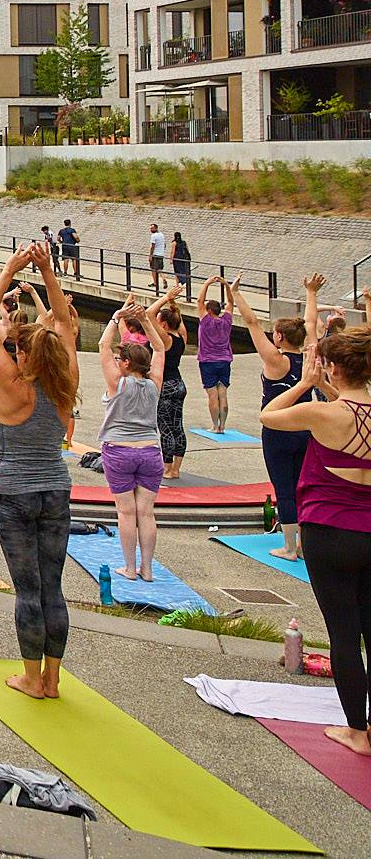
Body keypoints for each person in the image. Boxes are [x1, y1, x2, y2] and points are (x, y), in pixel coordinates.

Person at [260, 321, 371, 756]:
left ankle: (356, 732)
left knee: (344, 633)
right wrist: (329, 387)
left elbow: (270, 417)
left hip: (329, 532)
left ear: (334, 371)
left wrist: (307, 382)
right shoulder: (339, 408)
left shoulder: (321, 413)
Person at [0, 242, 79, 700]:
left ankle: (31, 678)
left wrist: (9, 268)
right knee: (52, 587)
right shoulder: (65, 384)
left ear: (24, 356)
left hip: (15, 495)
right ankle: (54, 679)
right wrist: (46, 271)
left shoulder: (14, 388)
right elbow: (63, 322)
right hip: (56, 490)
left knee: (27, 591)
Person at [233, 274, 323, 562]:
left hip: (278, 430)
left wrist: (236, 294)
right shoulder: (309, 355)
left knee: (284, 488)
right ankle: (302, 545)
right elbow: (310, 324)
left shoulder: (276, 360)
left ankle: (288, 547)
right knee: (302, 486)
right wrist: (311, 292)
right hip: (306, 428)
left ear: (280, 338)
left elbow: (252, 324)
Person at [96, 302, 169, 581]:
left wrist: (116, 317)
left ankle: (129, 568)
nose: (115, 361)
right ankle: (147, 569)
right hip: (150, 452)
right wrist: (144, 321)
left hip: (119, 451)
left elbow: (104, 346)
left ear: (126, 363)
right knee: (146, 514)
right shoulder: (154, 384)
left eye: (119, 359)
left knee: (126, 513)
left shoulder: (118, 383)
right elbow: (160, 349)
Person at [150, 284, 190, 481]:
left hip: (165, 385)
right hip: (179, 383)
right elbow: (179, 319)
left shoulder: (165, 339)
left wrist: (166, 298)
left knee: (165, 427)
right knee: (177, 426)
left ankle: (167, 468)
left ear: (164, 324)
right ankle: (176, 469)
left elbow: (149, 314)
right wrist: (173, 303)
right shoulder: (182, 336)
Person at [194, 276, 235, 434]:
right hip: (224, 360)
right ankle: (223, 426)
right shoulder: (227, 321)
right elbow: (231, 303)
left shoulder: (206, 321)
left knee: (212, 395)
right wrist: (226, 285)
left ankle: (214, 426)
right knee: (223, 394)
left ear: (209, 311)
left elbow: (199, 300)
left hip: (208, 361)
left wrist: (207, 283)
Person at [171, 232, 193, 296]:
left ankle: (178, 284)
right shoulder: (184, 242)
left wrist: (171, 259)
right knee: (183, 270)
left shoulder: (174, 243)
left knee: (177, 271)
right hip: (184, 258)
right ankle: (184, 282)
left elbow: (173, 251)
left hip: (177, 258)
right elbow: (187, 250)